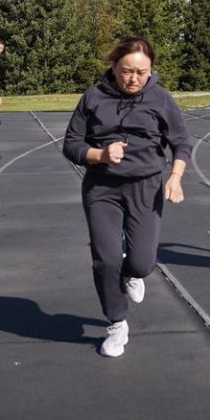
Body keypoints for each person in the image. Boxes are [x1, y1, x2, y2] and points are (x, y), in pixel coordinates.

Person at [62, 38, 191, 358]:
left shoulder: (161, 99)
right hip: (101, 189)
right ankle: (117, 323)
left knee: (142, 262)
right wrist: (99, 154)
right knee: (105, 260)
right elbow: (71, 144)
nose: (133, 79)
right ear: (114, 66)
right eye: (126, 71)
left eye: (141, 72)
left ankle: (133, 273)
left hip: (145, 187)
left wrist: (175, 178)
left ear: (151, 70)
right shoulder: (93, 97)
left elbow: (181, 143)